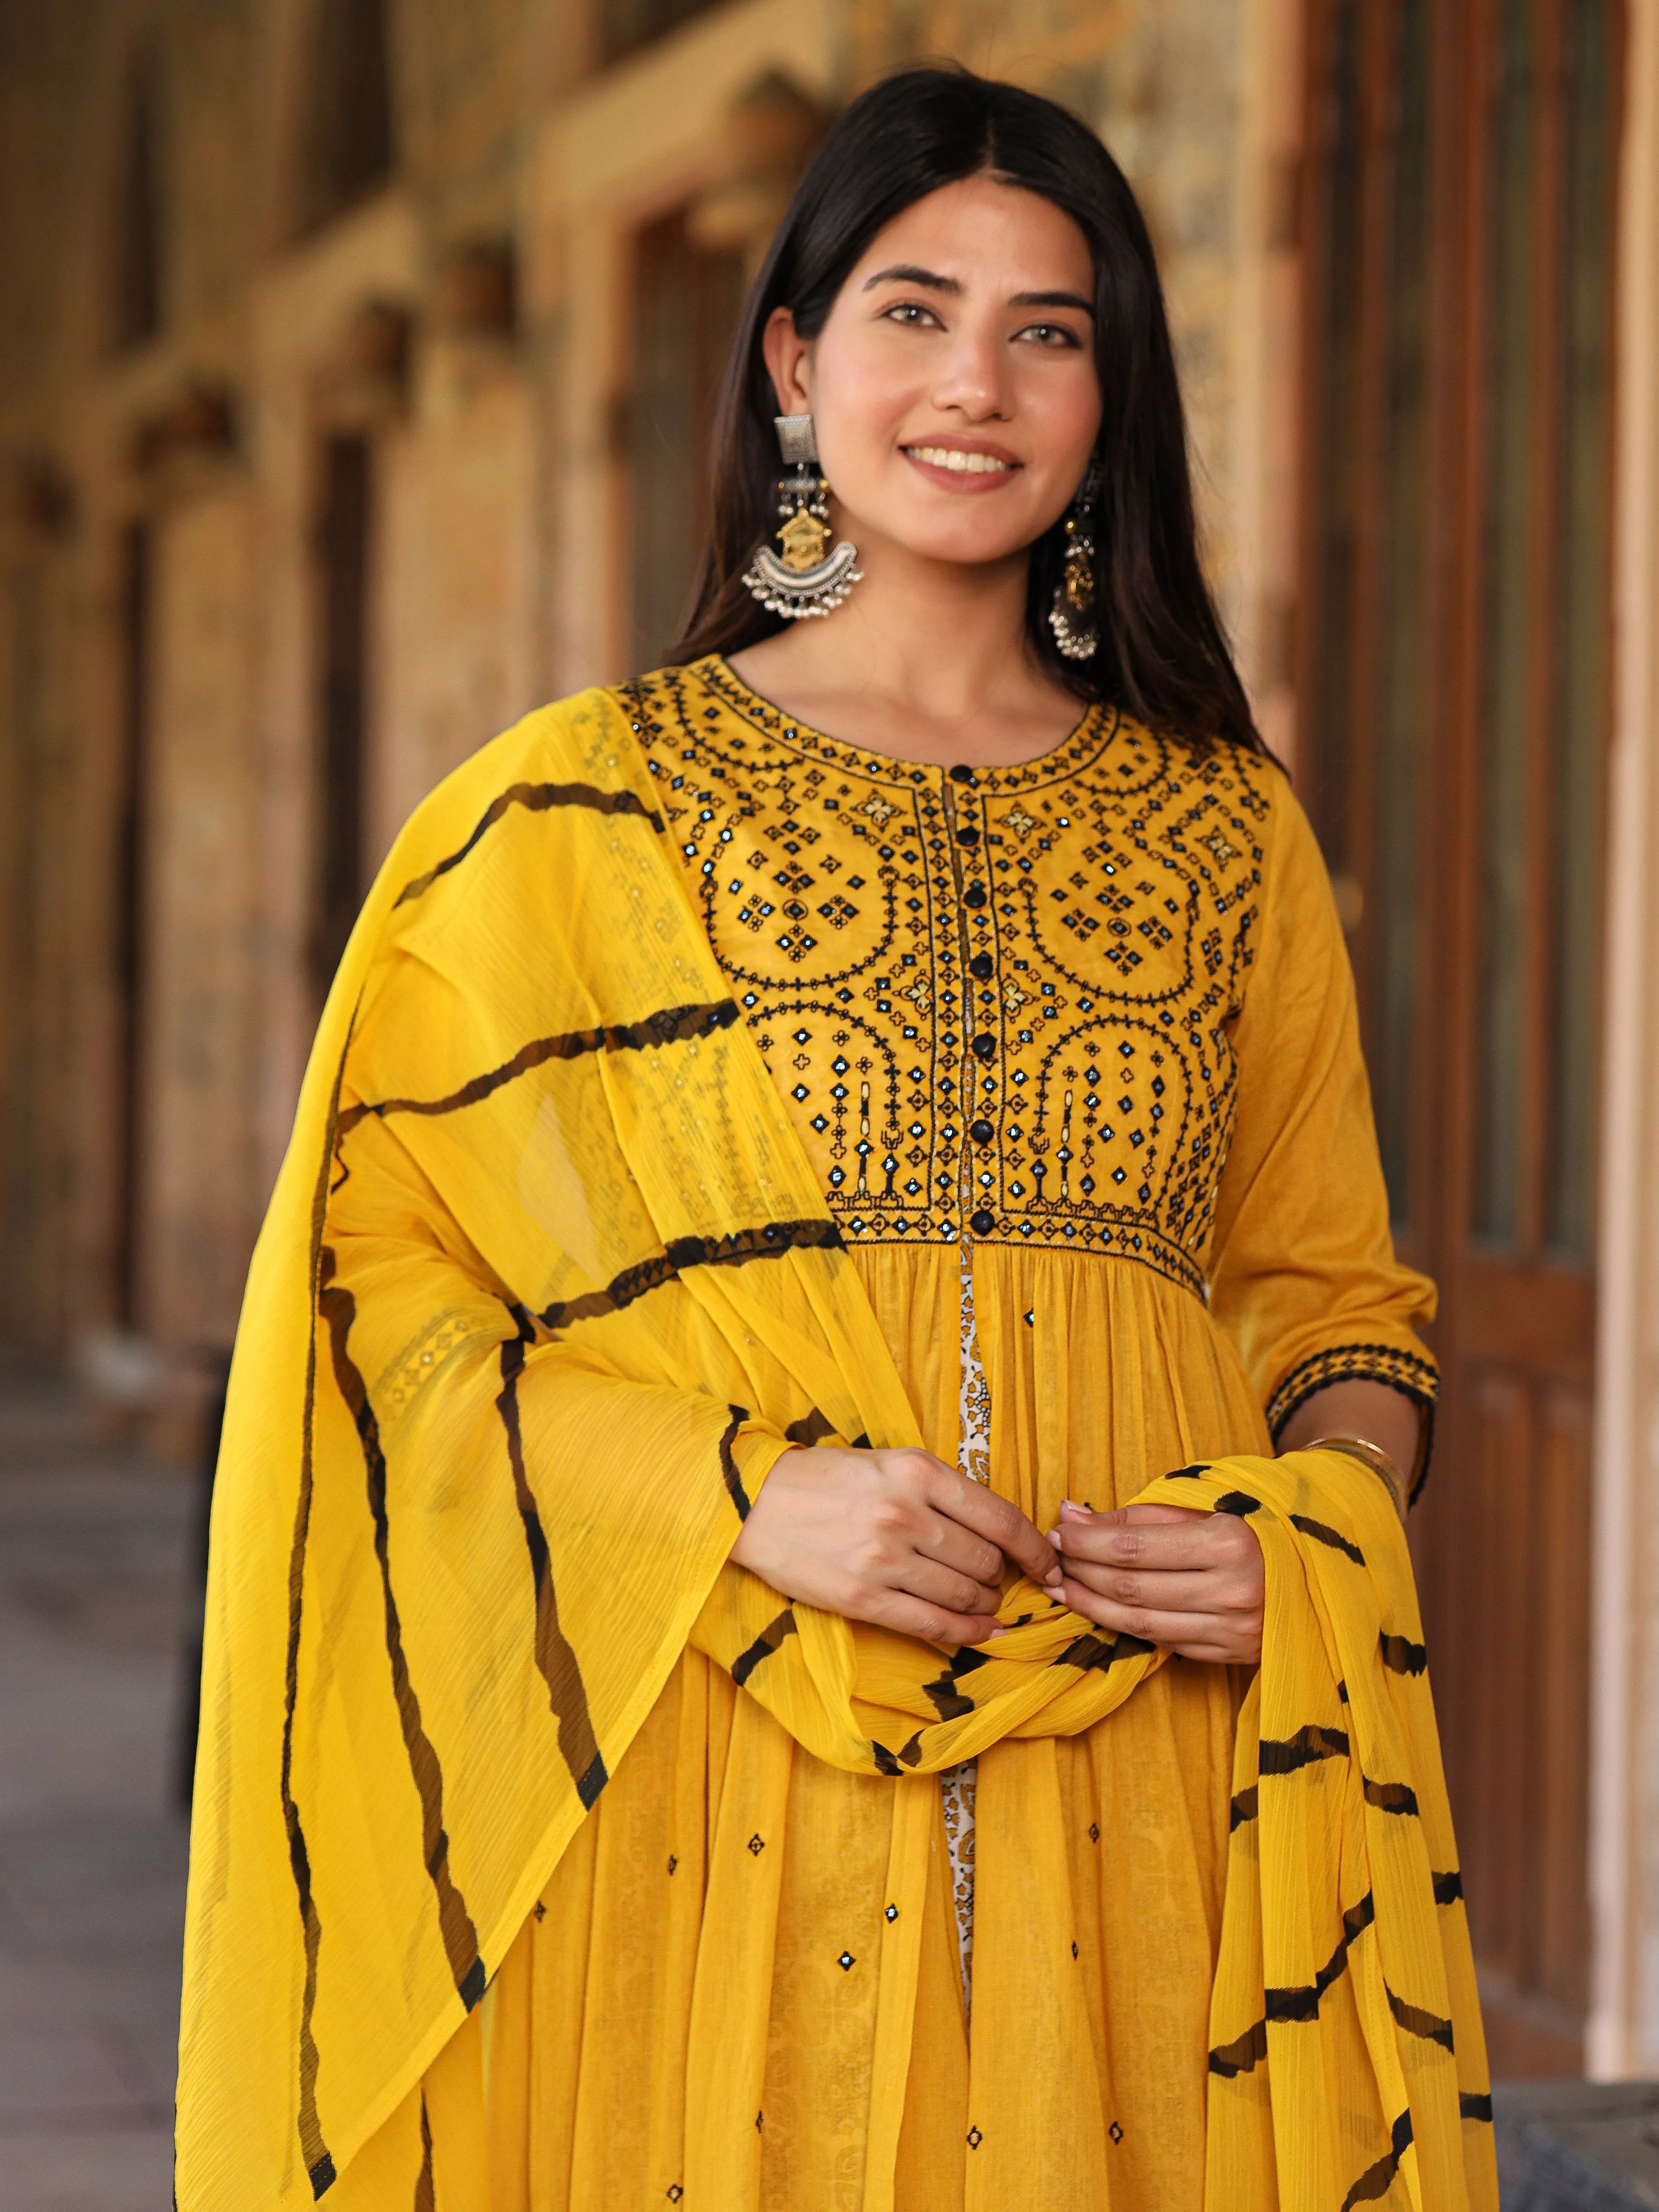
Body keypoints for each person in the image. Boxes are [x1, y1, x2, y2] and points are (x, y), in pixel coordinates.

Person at [176, 67, 1497, 2212]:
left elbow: (1338, 1299)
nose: (976, 383)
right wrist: (733, 1504)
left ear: (1110, 395)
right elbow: (380, 1304)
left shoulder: (1224, 823)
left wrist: (1320, 1528)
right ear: (795, 364)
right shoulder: (580, 810)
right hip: (722, 1779)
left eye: (1049, 331)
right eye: (912, 310)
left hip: (1155, 1792)